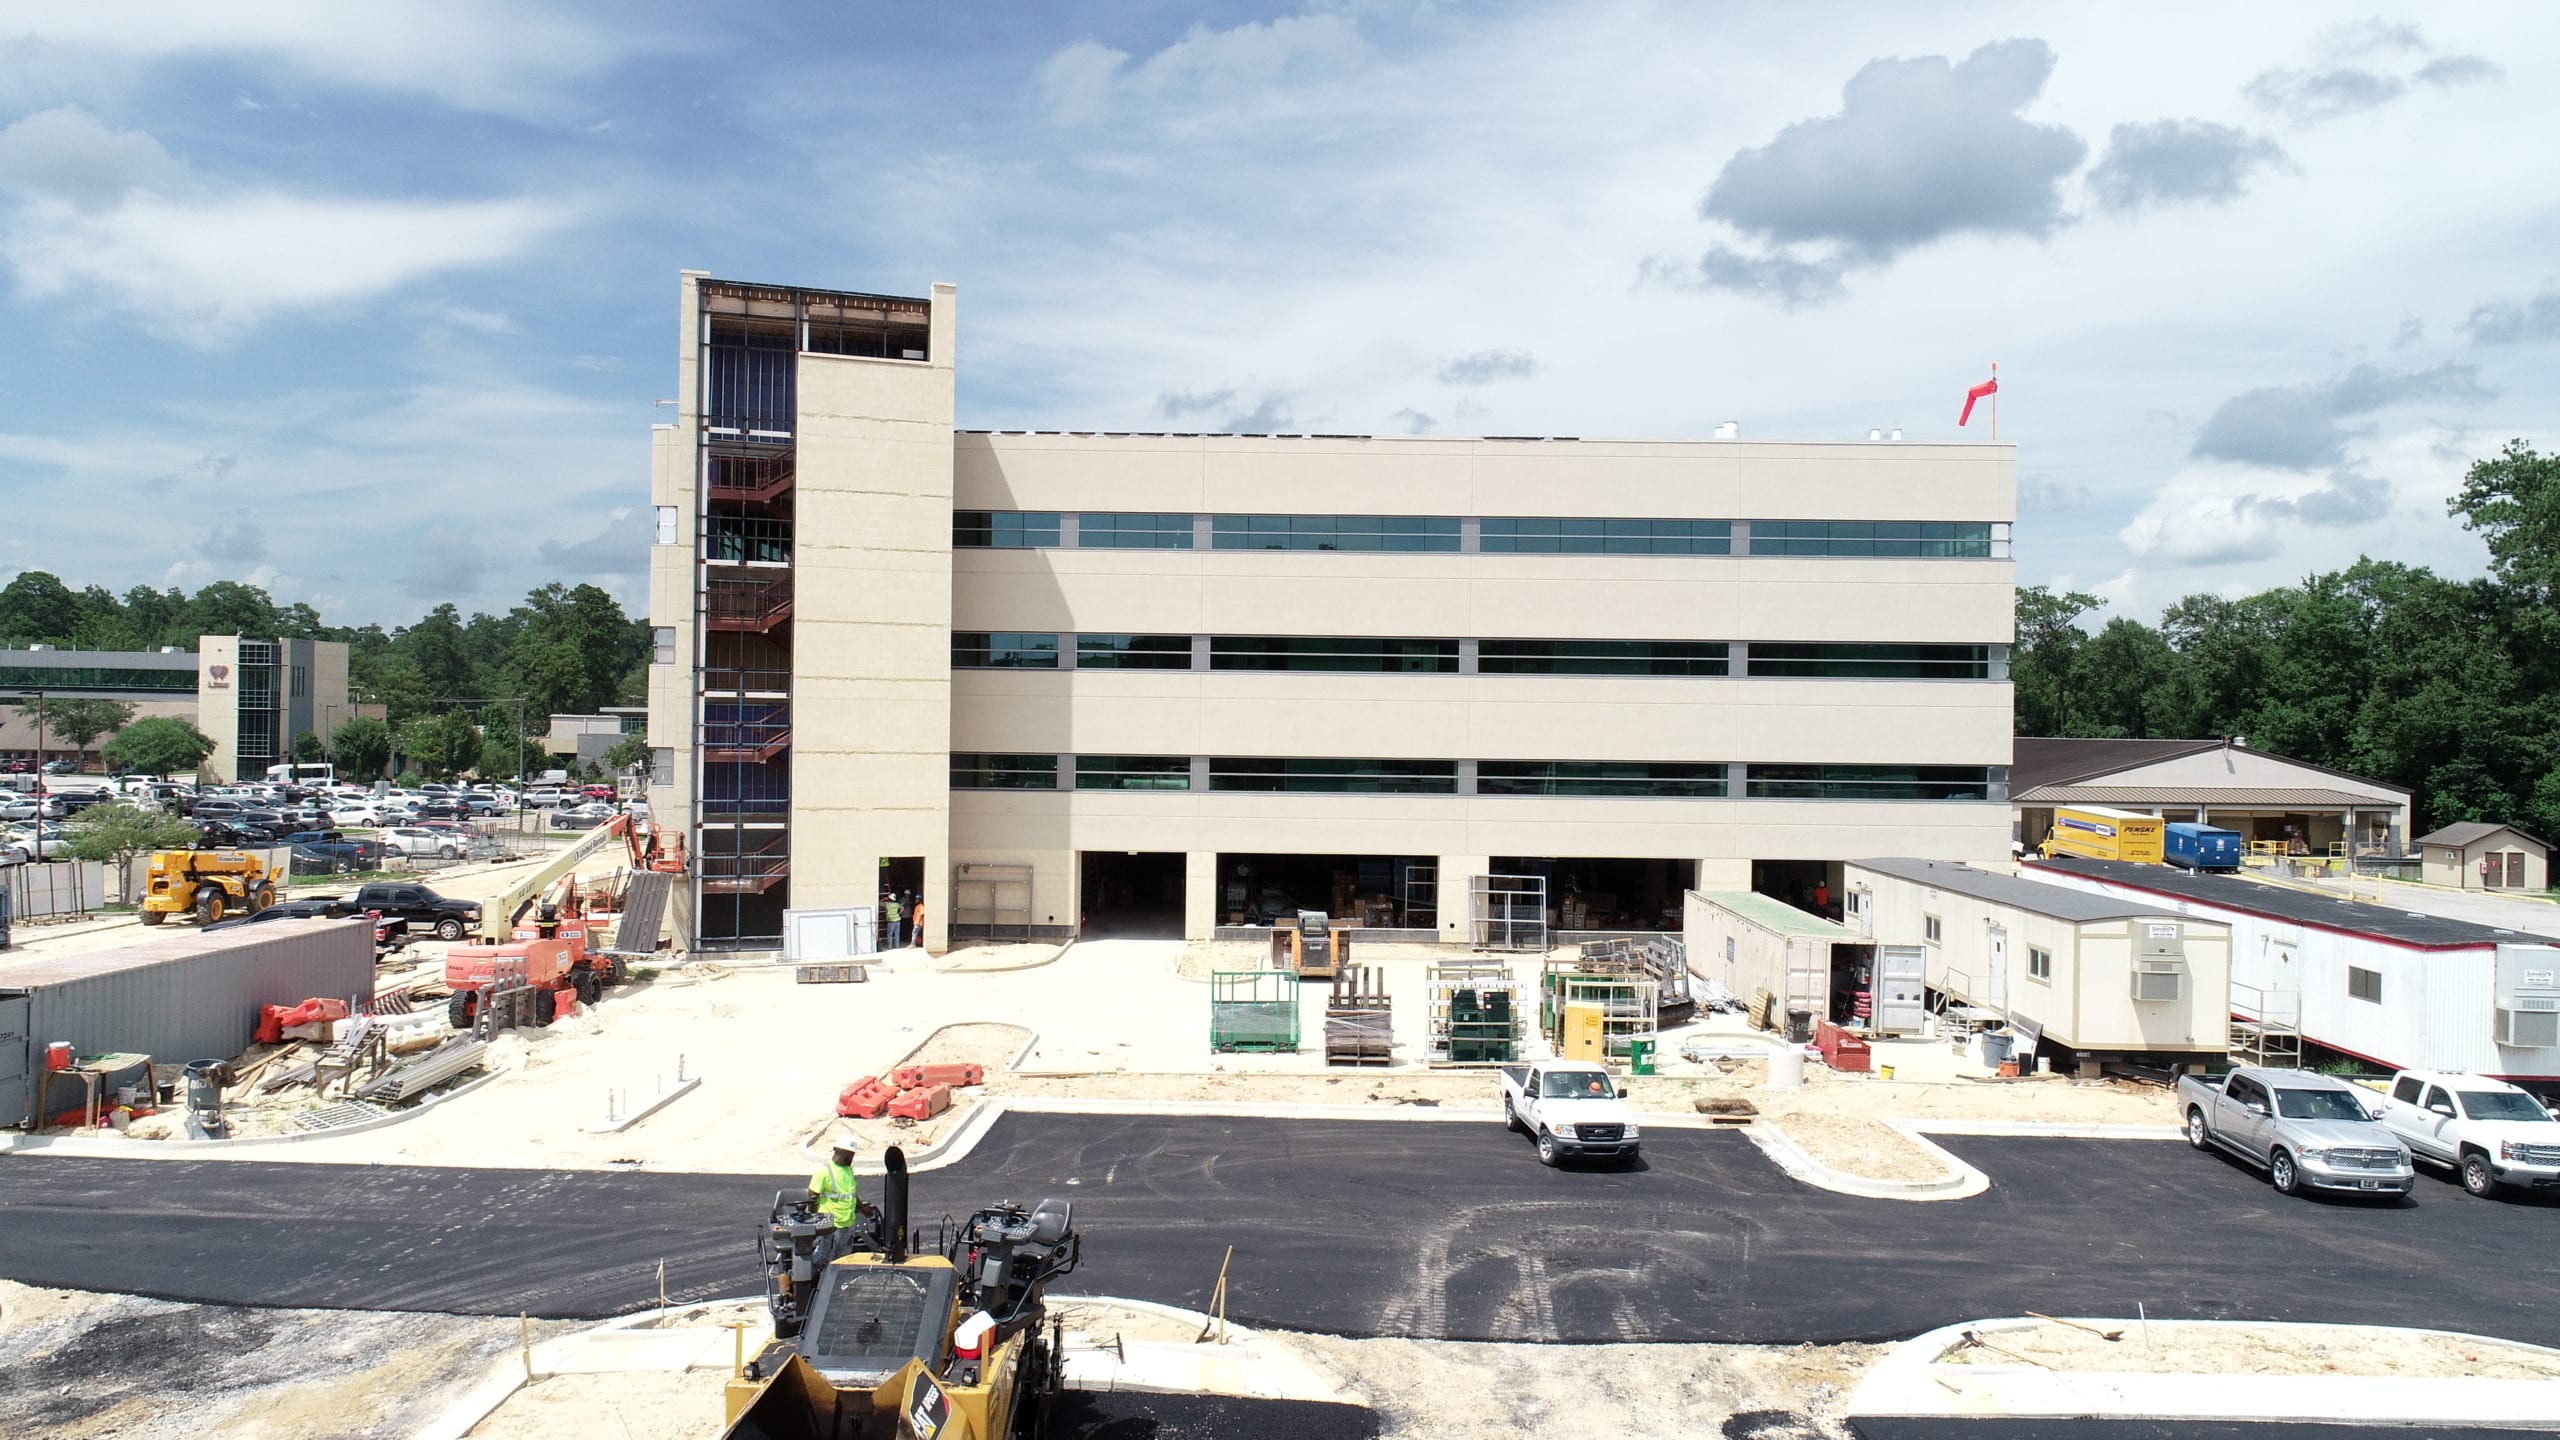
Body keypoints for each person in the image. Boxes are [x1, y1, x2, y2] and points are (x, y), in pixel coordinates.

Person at [807, 1143, 861, 1261]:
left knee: (843, 1259)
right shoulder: (824, 1171)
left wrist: (862, 1207)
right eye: (851, 1154)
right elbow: (812, 1196)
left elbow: (850, 1194)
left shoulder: (848, 1170)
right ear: (842, 1152)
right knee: (822, 1258)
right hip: (830, 1225)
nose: (852, 1158)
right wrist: (814, 1219)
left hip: (847, 1223)